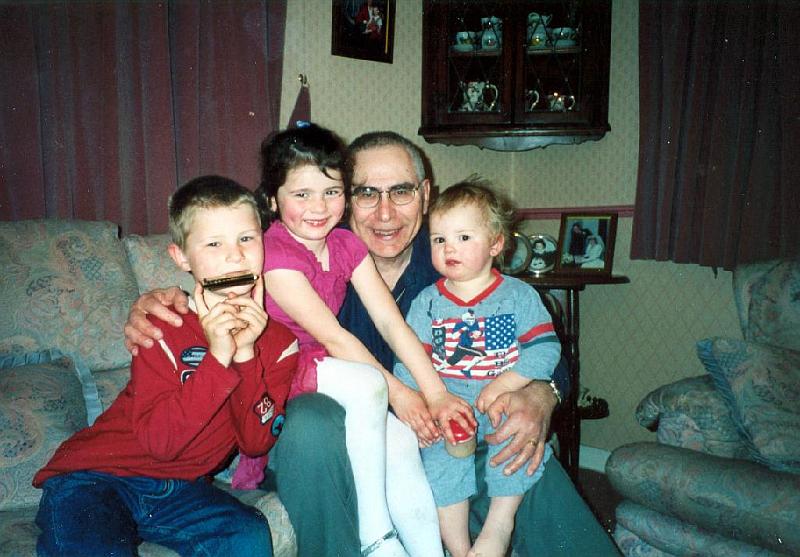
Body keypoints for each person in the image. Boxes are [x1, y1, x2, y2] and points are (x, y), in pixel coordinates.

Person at [122, 131, 620, 556]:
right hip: (325, 430)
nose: (385, 212)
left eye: (401, 191)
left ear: (426, 195)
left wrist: (540, 395)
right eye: (366, 193)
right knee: (315, 424)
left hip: (443, 421)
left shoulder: (454, 259)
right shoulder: (305, 263)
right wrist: (164, 297)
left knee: (519, 446)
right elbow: (224, 276)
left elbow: (538, 342)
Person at [33, 176, 298, 556]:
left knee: (247, 536)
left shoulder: (279, 345)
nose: (235, 256)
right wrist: (218, 356)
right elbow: (161, 443)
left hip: (181, 490)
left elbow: (255, 443)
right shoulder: (161, 323)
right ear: (181, 258)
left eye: (246, 238)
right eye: (213, 243)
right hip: (96, 478)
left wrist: (244, 354)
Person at [248, 123, 471, 556]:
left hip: (328, 365)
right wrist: (403, 394)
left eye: (332, 192)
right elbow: (331, 337)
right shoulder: (275, 254)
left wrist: (437, 395)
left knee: (401, 439)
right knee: (373, 386)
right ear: (273, 201)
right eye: (302, 194)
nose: (319, 207)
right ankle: (376, 536)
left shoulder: (346, 244)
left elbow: (392, 324)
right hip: (282, 365)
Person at [395, 179, 561, 557]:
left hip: (504, 402)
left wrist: (508, 383)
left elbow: (545, 350)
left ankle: (498, 529)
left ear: (496, 244)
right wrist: (420, 408)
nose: (449, 248)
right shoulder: (428, 302)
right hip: (449, 404)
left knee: (515, 444)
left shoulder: (519, 297)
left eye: (464, 237)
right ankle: (458, 547)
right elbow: (410, 359)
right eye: (439, 240)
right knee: (439, 457)